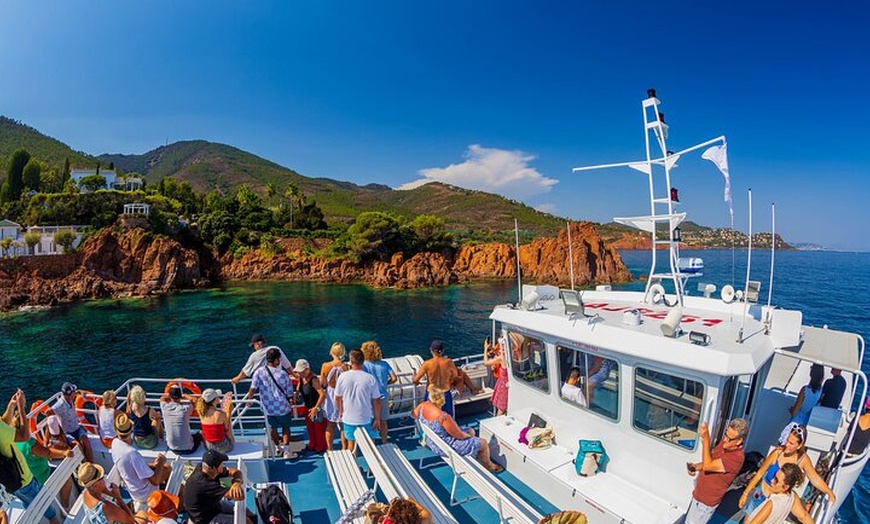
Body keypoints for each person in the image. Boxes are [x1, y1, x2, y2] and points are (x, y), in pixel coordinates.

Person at [740, 425, 836, 515]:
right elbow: (760, 473)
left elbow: (814, 478)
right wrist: (745, 493)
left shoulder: (803, 460)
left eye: (791, 443)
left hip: (776, 503)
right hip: (761, 494)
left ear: (799, 445)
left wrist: (830, 493)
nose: (786, 444)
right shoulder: (777, 453)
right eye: (787, 440)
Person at [1, 390, 61, 524]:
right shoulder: (28, 444)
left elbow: (3, 423)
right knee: (50, 512)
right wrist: (21, 407)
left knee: (29, 505)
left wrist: (11, 406)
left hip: (10, 481)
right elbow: (24, 436)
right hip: (24, 479)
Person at [414, 386, 502, 472]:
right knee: (483, 443)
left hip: (431, 441)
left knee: (471, 430)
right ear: (442, 400)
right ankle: (488, 465)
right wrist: (468, 436)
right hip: (445, 447)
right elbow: (459, 435)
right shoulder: (443, 416)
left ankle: (473, 452)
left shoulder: (423, 405)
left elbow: (413, 415)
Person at [684, 419, 748, 524]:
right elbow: (711, 460)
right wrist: (696, 467)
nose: (725, 440)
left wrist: (706, 439)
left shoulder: (736, 458)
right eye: (725, 435)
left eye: (729, 438)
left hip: (706, 502)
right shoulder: (725, 443)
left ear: (739, 441)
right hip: (698, 493)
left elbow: (709, 465)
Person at [111, 413, 170, 511]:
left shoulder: (115, 444)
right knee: (167, 468)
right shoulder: (131, 453)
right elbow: (154, 481)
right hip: (144, 493)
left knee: (161, 468)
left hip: (133, 490)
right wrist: (161, 462)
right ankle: (164, 498)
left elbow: (132, 466)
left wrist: (153, 465)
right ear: (131, 430)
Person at [245, 347, 294, 458]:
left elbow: (252, 389)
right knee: (286, 428)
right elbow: (289, 393)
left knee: (272, 429)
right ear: (276, 360)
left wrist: (249, 401)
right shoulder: (283, 374)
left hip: (268, 408)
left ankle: (277, 448)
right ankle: (286, 451)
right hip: (282, 408)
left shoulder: (258, 372)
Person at [183, 449, 254, 524]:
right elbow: (239, 496)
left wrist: (237, 482)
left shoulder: (203, 468)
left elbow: (234, 471)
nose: (223, 466)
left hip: (213, 506)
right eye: (222, 464)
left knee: (245, 511)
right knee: (246, 521)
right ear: (214, 468)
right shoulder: (205, 484)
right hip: (206, 519)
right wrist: (234, 485)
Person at [334, 349, 383, 453]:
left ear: (351, 362)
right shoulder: (370, 378)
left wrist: (341, 412)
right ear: (363, 361)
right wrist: (377, 418)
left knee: (351, 445)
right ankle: (372, 467)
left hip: (349, 418)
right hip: (367, 418)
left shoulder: (342, 377)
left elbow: (338, 398)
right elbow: (377, 400)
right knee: (371, 445)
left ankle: (351, 464)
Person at [744, 463, 813, 524]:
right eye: (774, 476)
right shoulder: (792, 497)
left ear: (785, 487)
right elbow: (803, 516)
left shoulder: (771, 503)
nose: (772, 480)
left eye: (776, 480)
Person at [361, 341, 397, 444]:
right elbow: (394, 378)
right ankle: (384, 441)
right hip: (383, 396)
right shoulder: (384, 364)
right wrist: (386, 383)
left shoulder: (364, 365)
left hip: (370, 397)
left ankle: (372, 442)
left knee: (372, 420)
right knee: (383, 420)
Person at [412, 340, 460, 417]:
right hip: (445, 393)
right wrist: (449, 378)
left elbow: (415, 379)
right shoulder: (449, 362)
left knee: (428, 416)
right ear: (443, 351)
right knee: (447, 417)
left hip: (431, 394)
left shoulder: (427, 364)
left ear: (431, 350)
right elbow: (455, 375)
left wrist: (417, 382)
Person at [50, 382, 94, 463]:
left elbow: (78, 392)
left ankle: (91, 463)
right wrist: (57, 427)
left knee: (86, 441)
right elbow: (48, 412)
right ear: (69, 395)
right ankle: (86, 465)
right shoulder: (60, 404)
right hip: (68, 433)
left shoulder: (70, 397)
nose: (75, 394)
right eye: (73, 392)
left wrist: (81, 391)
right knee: (78, 446)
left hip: (77, 428)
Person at [294, 359, 328, 453]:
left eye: (301, 372)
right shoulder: (301, 378)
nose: (299, 374)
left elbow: (322, 395)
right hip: (307, 407)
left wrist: (316, 408)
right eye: (298, 372)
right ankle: (312, 444)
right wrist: (297, 393)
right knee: (310, 428)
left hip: (316, 408)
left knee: (318, 429)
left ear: (307, 370)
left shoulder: (314, 380)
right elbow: (299, 385)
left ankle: (320, 446)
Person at [320, 342, 349, 451]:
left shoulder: (325, 366)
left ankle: (330, 448)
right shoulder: (346, 367)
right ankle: (344, 448)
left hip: (331, 397)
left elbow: (323, 383)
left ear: (332, 352)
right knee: (343, 426)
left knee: (330, 425)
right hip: (342, 397)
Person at [160, 385, 203, 455]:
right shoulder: (185, 409)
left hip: (172, 449)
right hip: (188, 449)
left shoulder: (164, 407)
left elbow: (162, 398)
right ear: (180, 396)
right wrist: (185, 395)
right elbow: (195, 401)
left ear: (170, 396)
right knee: (200, 433)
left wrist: (170, 395)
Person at [197, 390, 234, 454]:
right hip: (224, 448)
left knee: (201, 432)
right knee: (227, 430)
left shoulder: (201, 413)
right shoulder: (220, 414)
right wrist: (229, 412)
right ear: (214, 400)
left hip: (208, 447)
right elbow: (227, 429)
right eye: (217, 397)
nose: (219, 398)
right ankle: (233, 442)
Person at [127, 385, 162, 450]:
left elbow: (127, 412)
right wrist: (158, 415)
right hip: (150, 443)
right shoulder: (148, 409)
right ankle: (161, 437)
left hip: (137, 442)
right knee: (157, 419)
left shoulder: (130, 408)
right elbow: (158, 416)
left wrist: (128, 399)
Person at [483, 338, 508, 415]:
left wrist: (485, 349)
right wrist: (491, 349)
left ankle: (498, 422)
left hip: (503, 384)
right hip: (509, 382)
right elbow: (499, 354)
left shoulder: (501, 358)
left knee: (501, 408)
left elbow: (486, 362)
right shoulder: (510, 355)